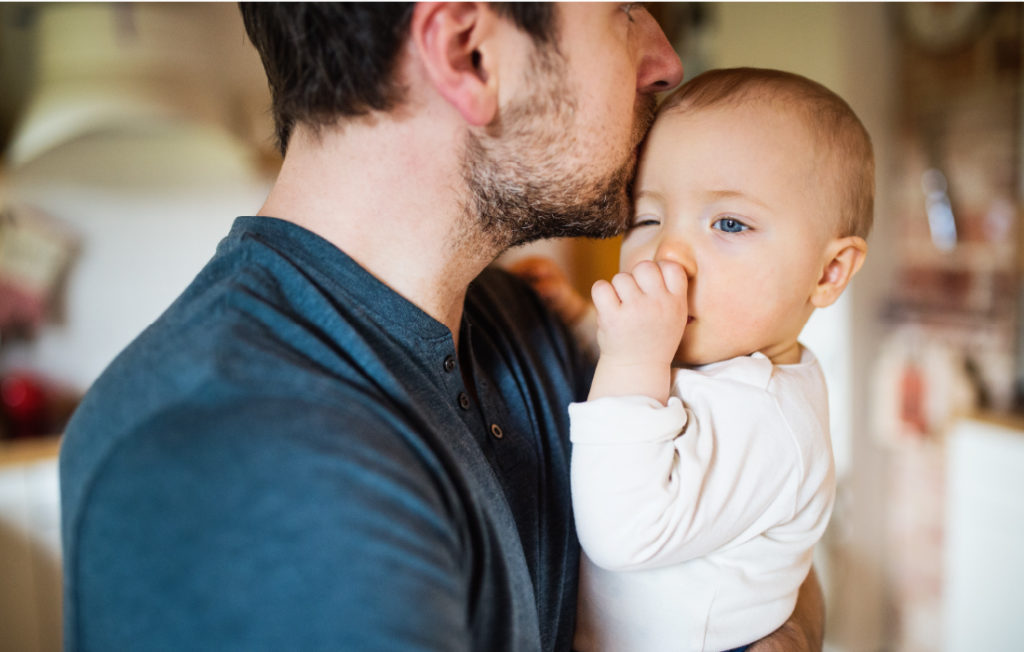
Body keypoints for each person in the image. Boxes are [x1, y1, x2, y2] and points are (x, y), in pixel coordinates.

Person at [59, 4, 822, 649]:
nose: (662, 61)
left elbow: (768, 553)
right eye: (624, 13)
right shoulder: (243, 466)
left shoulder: (537, 327)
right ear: (471, 54)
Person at [517, 67, 872, 652]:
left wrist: (631, 355)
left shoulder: (765, 421)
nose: (669, 253)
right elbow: (656, 393)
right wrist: (581, 321)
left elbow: (621, 533)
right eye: (648, 218)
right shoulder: (726, 363)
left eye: (729, 223)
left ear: (828, 272)